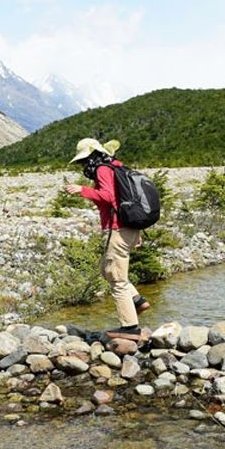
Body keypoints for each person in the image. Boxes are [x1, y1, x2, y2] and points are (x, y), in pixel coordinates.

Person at [63, 137, 151, 338]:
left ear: (92, 156)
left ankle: (130, 327)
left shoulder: (103, 169)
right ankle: (137, 301)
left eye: (84, 161)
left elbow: (109, 197)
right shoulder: (116, 167)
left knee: (116, 279)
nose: (83, 165)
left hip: (117, 229)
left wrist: (82, 190)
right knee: (107, 268)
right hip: (127, 227)